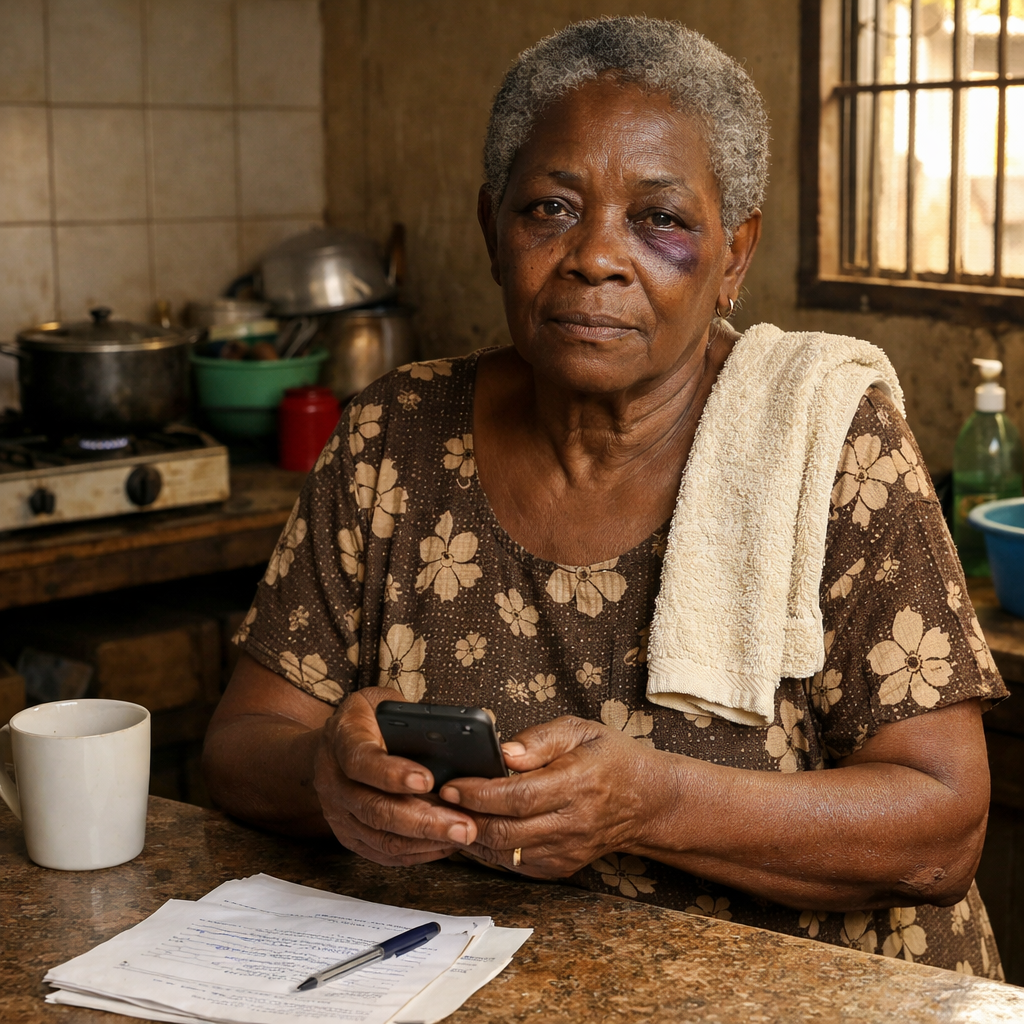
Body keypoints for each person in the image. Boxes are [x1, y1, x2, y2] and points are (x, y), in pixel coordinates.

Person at [203, 17, 1006, 977]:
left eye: (660, 219)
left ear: (734, 257)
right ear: (492, 233)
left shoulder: (825, 436)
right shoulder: (393, 436)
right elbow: (243, 745)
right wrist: (326, 776)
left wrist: (653, 803)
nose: (595, 256)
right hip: (469, 984)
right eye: (549, 208)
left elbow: (941, 828)